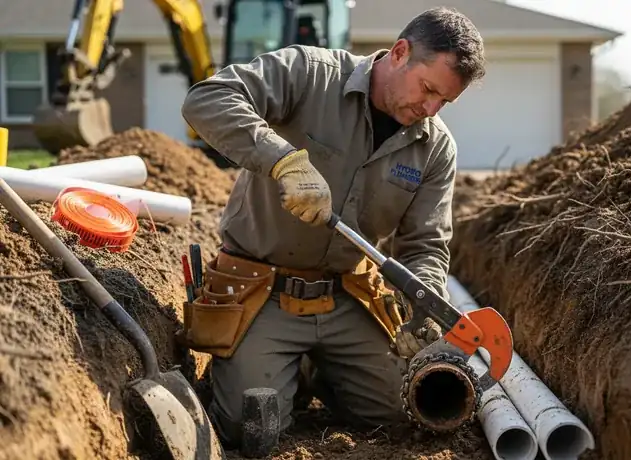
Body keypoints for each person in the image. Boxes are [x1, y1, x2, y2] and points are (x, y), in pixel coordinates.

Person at [180, 6, 486, 448]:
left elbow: (425, 244)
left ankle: (324, 372)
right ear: (400, 53)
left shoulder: (435, 147)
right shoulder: (309, 74)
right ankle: (290, 367)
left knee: (405, 412)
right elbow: (207, 99)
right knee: (249, 426)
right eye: (428, 89)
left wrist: (425, 304)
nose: (431, 108)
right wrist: (282, 160)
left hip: (348, 298)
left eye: (445, 102)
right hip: (261, 290)